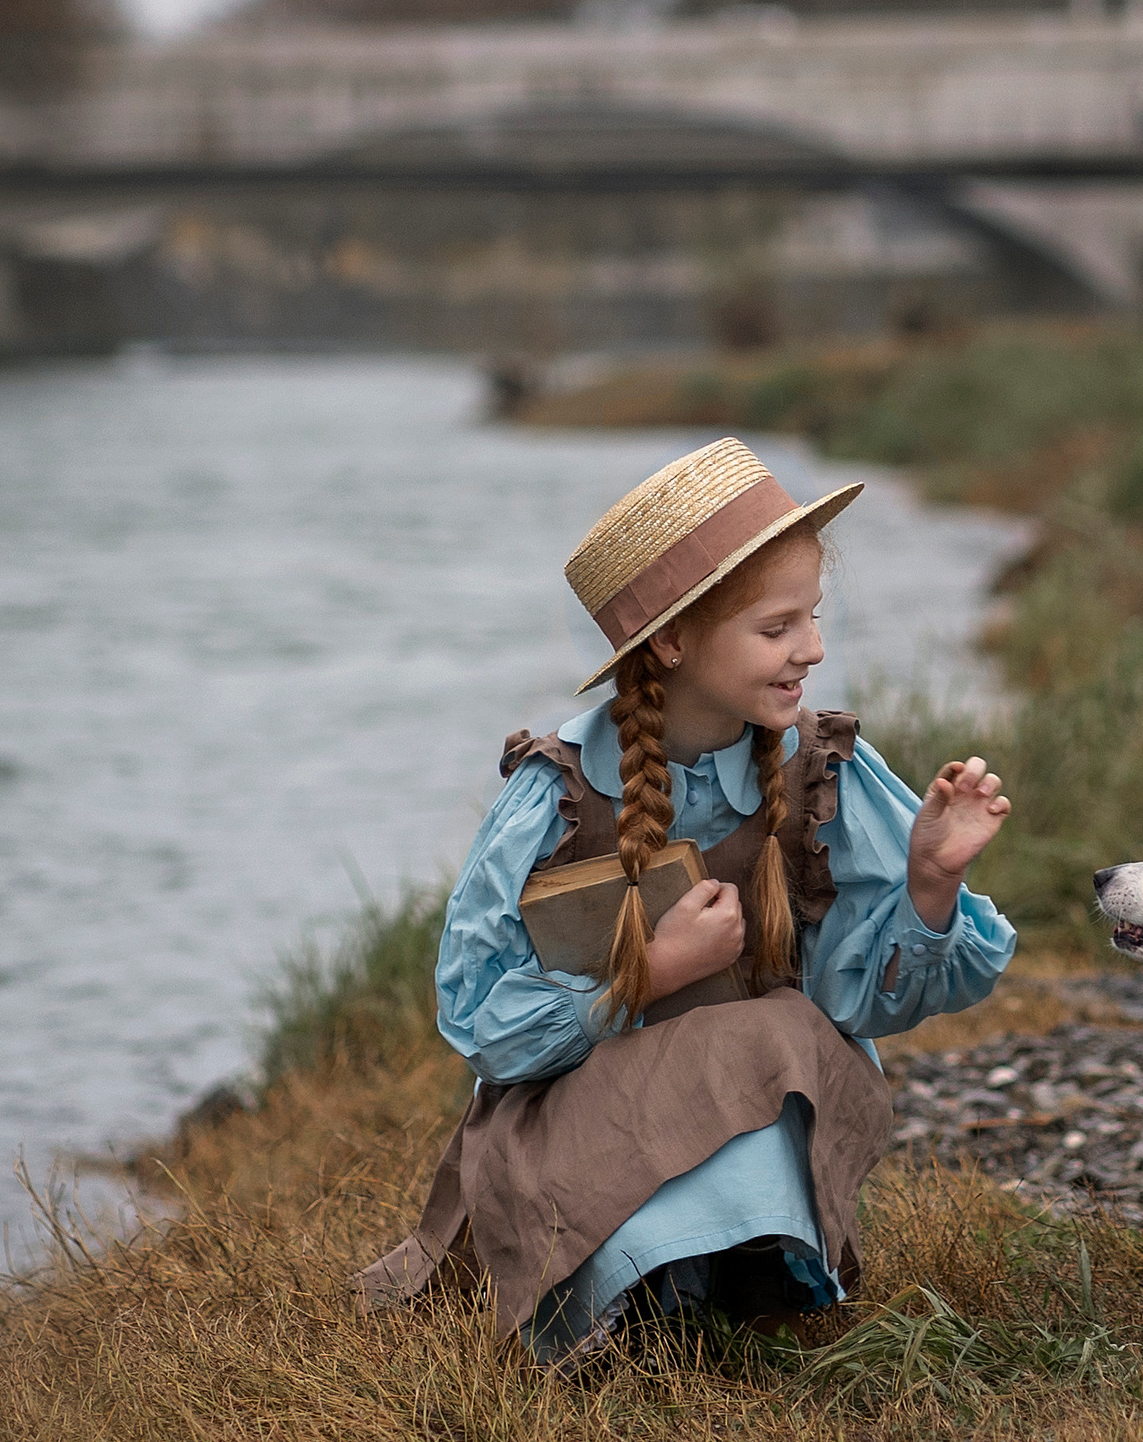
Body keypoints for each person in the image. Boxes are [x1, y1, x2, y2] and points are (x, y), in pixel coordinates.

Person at [358, 438, 1015, 1365]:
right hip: (577, 1136)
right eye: (778, 626)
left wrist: (930, 885)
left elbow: (852, 1006)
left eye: (813, 618)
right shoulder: (559, 795)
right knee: (759, 1033)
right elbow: (479, 1023)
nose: (813, 649)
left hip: (753, 1113)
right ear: (671, 641)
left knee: (781, 1029)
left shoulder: (819, 771)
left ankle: (748, 1275)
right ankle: (632, 1297)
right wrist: (651, 972)